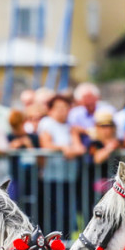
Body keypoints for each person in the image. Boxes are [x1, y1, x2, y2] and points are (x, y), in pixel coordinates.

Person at [37, 95, 85, 236]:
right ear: (50, 110)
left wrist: (69, 150)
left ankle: (66, 243)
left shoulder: (70, 126)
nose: (62, 111)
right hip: (51, 177)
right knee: (53, 213)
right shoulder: (46, 123)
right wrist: (64, 148)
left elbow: (80, 149)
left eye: (65, 108)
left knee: (67, 213)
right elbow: (46, 145)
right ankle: (51, 242)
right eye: (58, 108)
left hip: (68, 176)